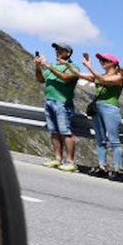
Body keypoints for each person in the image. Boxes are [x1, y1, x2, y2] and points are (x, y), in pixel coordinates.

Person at [80, 51, 123, 177]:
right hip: (98, 108)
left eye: (104, 60)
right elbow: (79, 75)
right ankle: (102, 166)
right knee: (100, 139)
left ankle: (118, 168)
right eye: (101, 60)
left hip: (110, 109)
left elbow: (103, 79)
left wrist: (88, 66)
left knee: (114, 140)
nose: (101, 62)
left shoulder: (118, 77)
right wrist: (67, 65)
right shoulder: (100, 76)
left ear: (112, 64)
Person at [34, 43, 79, 171]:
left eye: (60, 50)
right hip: (49, 101)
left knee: (66, 132)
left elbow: (65, 78)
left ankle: (70, 161)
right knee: (54, 131)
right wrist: (38, 67)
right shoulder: (53, 67)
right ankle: (57, 159)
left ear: (68, 53)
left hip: (63, 103)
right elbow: (41, 79)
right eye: (56, 50)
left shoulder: (73, 67)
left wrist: (48, 66)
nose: (57, 52)